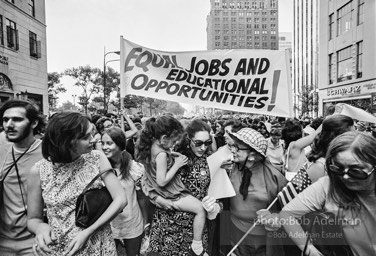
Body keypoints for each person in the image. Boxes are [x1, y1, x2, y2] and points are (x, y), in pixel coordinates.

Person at [27, 112, 127, 256]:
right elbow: (33, 219)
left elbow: (121, 199)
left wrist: (88, 232)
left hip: (99, 245)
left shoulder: (96, 159)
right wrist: (40, 228)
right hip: (61, 249)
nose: (93, 140)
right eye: (86, 137)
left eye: (91, 134)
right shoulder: (38, 171)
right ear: (66, 141)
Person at [280, 131, 376, 256]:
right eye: (338, 168)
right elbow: (287, 215)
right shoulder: (328, 185)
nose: (345, 176)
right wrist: (309, 250)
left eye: (356, 171)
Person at [144, 118, 220, 256]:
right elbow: (146, 182)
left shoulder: (214, 161)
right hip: (166, 227)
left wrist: (215, 207)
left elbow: (221, 199)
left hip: (195, 232)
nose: (203, 147)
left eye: (207, 143)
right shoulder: (173, 157)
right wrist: (156, 199)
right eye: (198, 143)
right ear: (188, 139)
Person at [227, 128, 288, 256]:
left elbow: (289, 210)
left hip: (265, 240)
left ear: (253, 155)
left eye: (237, 148)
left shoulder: (274, 177)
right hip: (235, 234)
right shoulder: (229, 168)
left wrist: (275, 217)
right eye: (232, 146)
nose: (232, 150)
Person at [0, 99, 46, 255]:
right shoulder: (1, 148)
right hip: (3, 241)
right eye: (6, 119)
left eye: (17, 119)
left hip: (35, 241)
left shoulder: (49, 152)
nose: (9, 125)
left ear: (34, 123)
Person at [102, 127, 144, 256]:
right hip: (108, 223)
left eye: (109, 143)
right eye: (102, 143)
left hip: (132, 222)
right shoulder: (101, 169)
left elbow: (142, 196)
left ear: (120, 146)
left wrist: (146, 221)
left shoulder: (133, 168)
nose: (104, 147)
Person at [305, 115, 354, 182]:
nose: (354, 139)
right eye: (351, 136)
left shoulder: (335, 160)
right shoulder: (320, 166)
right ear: (336, 138)